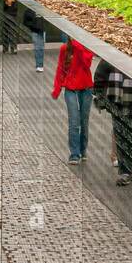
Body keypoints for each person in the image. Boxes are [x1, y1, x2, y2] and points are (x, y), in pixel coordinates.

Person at [93, 59, 132, 186]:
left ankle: (131, 169)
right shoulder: (111, 57)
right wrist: (100, 96)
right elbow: (99, 77)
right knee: (122, 136)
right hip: (118, 104)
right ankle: (125, 172)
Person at [51, 34, 94, 165]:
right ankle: (74, 154)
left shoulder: (86, 48)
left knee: (84, 121)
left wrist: (77, 45)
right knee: (74, 121)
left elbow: (87, 63)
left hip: (86, 88)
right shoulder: (64, 49)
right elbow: (61, 68)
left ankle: (83, 150)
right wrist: (57, 88)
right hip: (70, 89)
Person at [22, 5, 45, 72]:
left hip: (43, 30)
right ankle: (39, 65)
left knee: (41, 48)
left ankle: (40, 65)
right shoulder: (29, 10)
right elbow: (25, 21)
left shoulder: (43, 7)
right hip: (36, 31)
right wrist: (33, 26)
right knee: (38, 47)